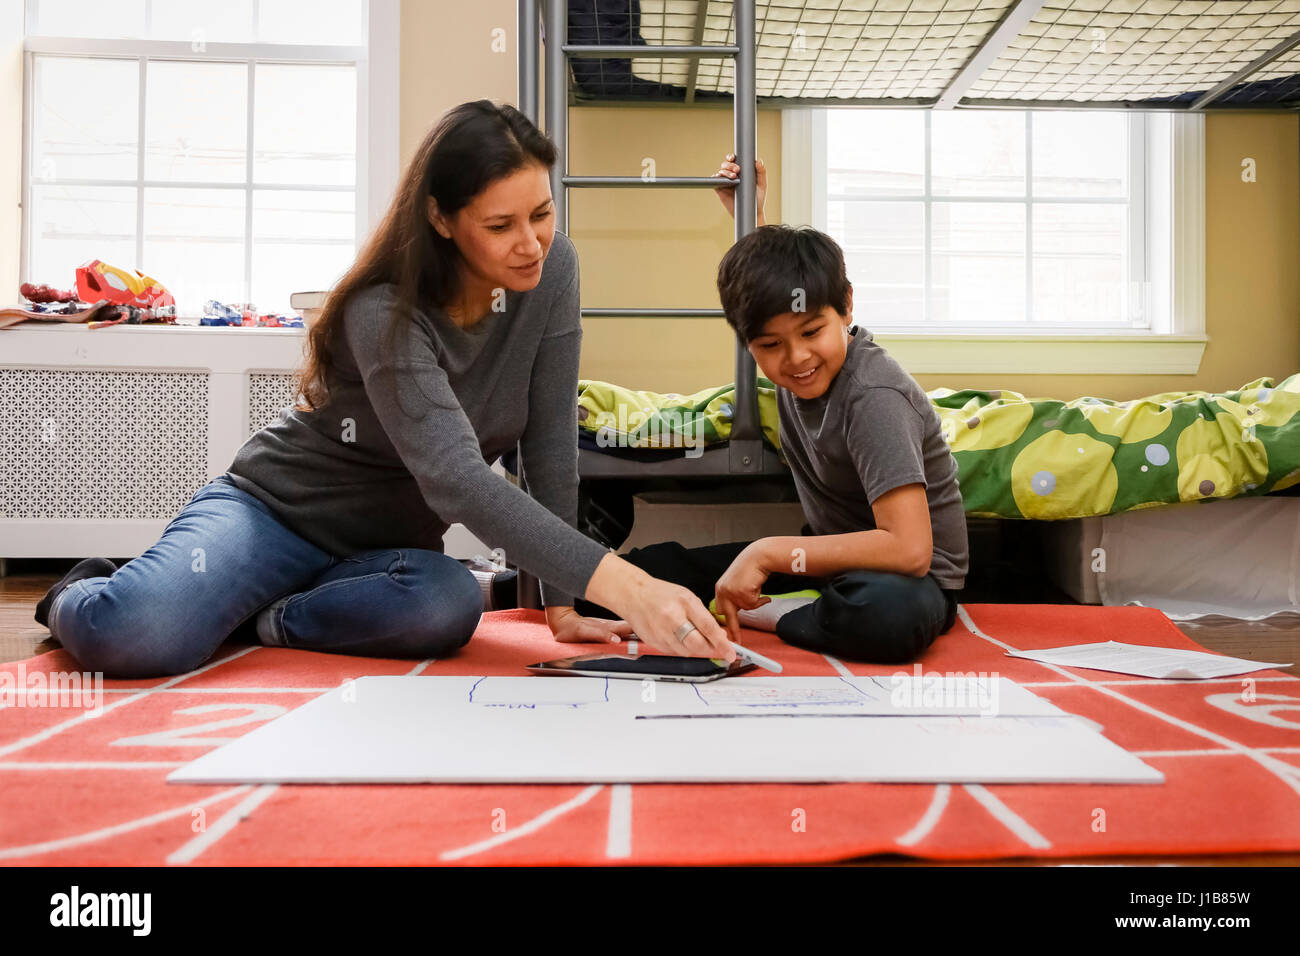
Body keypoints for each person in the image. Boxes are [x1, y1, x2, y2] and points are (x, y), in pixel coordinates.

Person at [33, 100, 734, 679]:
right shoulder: (383, 311)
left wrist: (561, 600)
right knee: (135, 637)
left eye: (542, 214)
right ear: (440, 219)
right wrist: (628, 586)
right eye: (501, 225)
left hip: (384, 558)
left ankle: (263, 614)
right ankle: (89, 586)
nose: (532, 243)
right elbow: (458, 481)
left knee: (445, 607)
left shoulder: (552, 272)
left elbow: (549, 438)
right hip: (274, 514)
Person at [576, 156, 968, 664]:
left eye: (812, 333)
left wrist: (763, 553)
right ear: (749, 343)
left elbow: (910, 551)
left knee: (884, 616)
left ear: (847, 307)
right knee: (620, 580)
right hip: (825, 561)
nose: (797, 358)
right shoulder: (791, 347)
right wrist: (749, 215)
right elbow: (769, 293)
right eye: (770, 345)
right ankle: (509, 583)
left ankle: (776, 612)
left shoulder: (874, 397)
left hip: (908, 580)